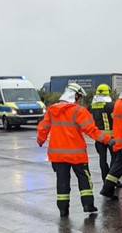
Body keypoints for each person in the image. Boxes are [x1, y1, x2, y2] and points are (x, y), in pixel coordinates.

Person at [37, 83, 114, 216]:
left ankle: (63, 209)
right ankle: (88, 205)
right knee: (84, 179)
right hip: (76, 154)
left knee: (62, 182)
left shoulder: (52, 110)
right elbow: (92, 130)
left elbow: (43, 128)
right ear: (75, 96)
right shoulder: (79, 111)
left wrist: (40, 140)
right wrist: (107, 140)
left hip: (57, 156)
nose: (80, 101)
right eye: (79, 98)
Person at [88, 83, 115, 183]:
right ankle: (112, 180)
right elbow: (115, 118)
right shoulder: (110, 105)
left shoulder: (92, 105)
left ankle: (105, 179)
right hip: (110, 137)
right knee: (114, 158)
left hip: (98, 137)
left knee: (102, 159)